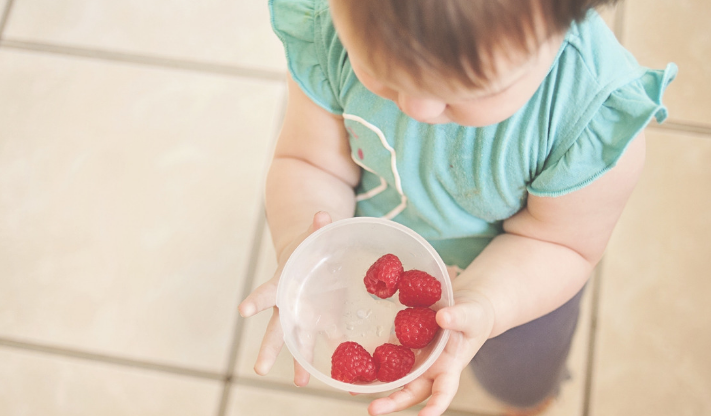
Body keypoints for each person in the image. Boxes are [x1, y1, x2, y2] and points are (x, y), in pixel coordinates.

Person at [238, 0, 677, 415]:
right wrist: (303, 249)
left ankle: (527, 401)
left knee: (520, 377)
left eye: (469, 90)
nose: (417, 107)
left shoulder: (587, 116)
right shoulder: (334, 29)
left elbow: (561, 243)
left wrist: (486, 302)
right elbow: (311, 163)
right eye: (380, 70)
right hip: (382, 256)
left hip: (520, 285)